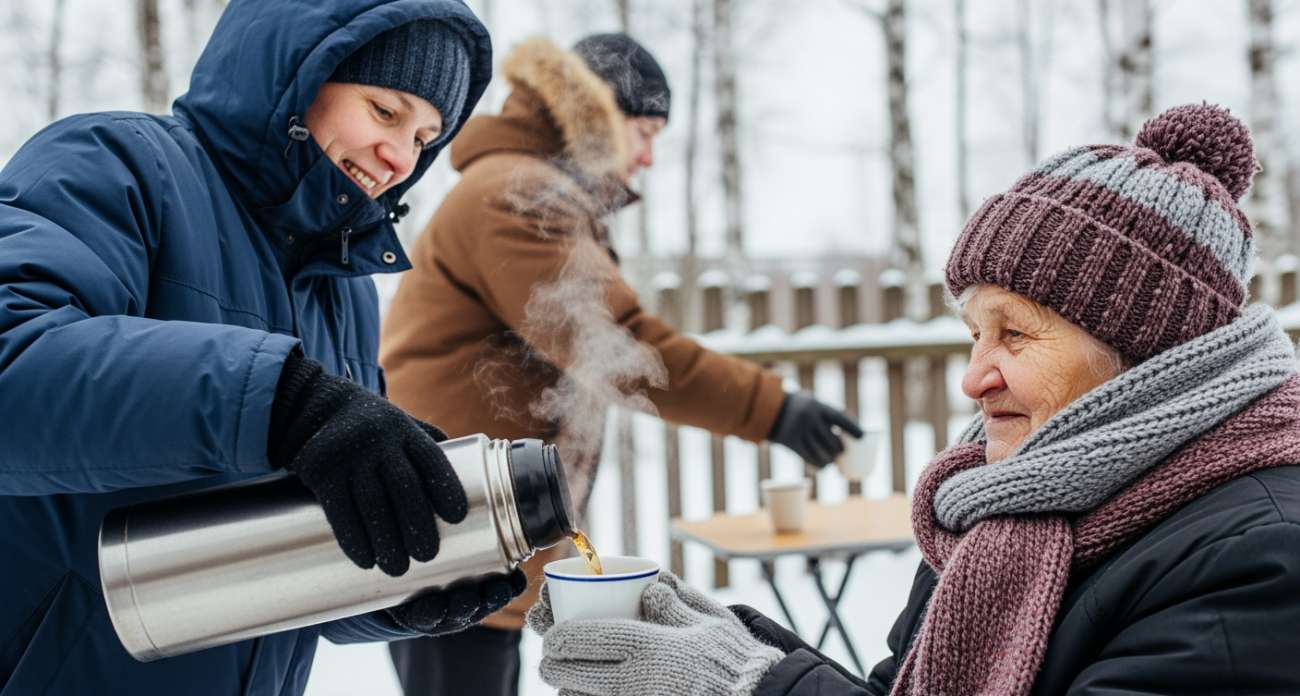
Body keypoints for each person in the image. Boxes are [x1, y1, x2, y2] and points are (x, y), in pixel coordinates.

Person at [526, 102, 1300, 695]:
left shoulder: (1263, 560)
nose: (974, 377)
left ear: (1141, 352)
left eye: (1016, 334)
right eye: (973, 333)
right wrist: (720, 637)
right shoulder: (1009, 502)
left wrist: (746, 684)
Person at [0, 1, 525, 694]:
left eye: (426, 139)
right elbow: (13, 365)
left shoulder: (346, 292)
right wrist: (282, 403)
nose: (402, 159)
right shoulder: (119, 165)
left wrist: (391, 588)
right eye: (385, 111)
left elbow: (288, 561)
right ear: (296, 76)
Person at [379, 33, 862, 696]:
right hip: (453, 528)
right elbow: (622, 349)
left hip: (478, 526)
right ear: (596, 113)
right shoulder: (516, 196)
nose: (649, 157)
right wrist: (772, 409)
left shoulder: (532, 188)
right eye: (645, 130)